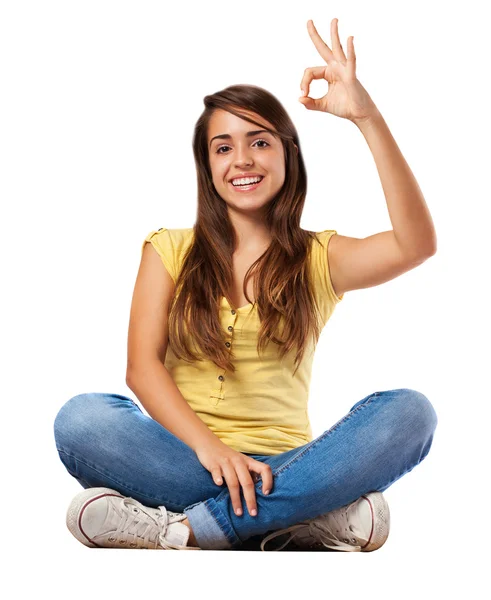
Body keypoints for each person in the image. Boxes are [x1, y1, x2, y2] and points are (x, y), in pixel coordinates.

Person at [53, 18, 438, 552]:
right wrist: (212, 451)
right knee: (82, 419)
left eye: (259, 142)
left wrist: (366, 118)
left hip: (287, 465)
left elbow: (415, 244)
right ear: (207, 165)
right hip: (186, 460)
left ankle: (190, 529)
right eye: (223, 147)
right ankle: (303, 519)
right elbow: (141, 368)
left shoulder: (318, 258)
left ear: (286, 155)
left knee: (412, 412)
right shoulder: (169, 249)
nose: (243, 160)